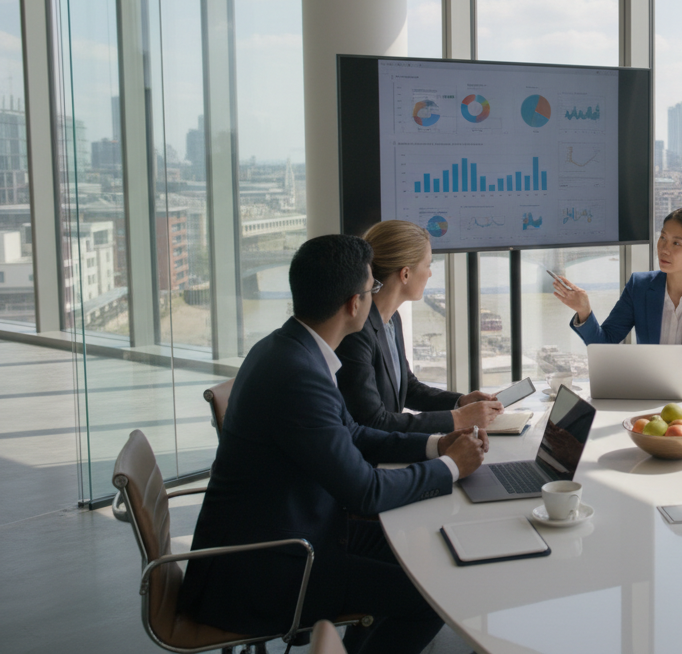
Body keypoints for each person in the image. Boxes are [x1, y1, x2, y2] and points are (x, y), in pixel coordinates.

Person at [179, 234, 488, 654]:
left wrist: (437, 445)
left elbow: (355, 435)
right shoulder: (299, 375)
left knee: (430, 547)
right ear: (352, 304)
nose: (373, 297)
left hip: (298, 531)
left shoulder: (288, 349)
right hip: (273, 566)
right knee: (431, 596)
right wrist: (453, 468)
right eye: (370, 289)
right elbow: (366, 491)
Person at [337, 220, 502, 433]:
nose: (430, 274)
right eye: (428, 265)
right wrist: (458, 419)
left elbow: (408, 388)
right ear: (405, 274)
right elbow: (373, 422)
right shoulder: (356, 332)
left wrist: (460, 402)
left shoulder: (391, 319)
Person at [551, 207, 682, 381]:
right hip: (645, 389)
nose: (664, 249)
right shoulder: (639, 286)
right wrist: (584, 311)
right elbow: (604, 344)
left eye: (676, 243)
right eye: (663, 238)